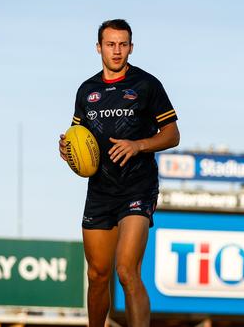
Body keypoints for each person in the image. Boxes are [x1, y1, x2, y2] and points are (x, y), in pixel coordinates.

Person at [59, 19, 180, 327]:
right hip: (100, 190)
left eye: (123, 44)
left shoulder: (146, 84)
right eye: (110, 44)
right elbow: (79, 140)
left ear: (131, 47)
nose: (117, 51)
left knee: (126, 271)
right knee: (97, 275)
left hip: (137, 188)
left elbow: (172, 134)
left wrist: (138, 145)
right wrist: (68, 153)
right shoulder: (86, 91)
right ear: (99, 47)